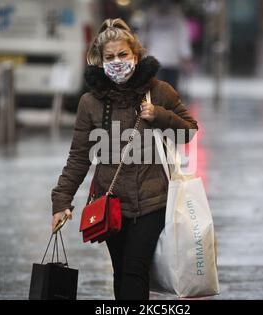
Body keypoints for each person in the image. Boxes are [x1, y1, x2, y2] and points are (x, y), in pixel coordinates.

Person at [51, 18, 198, 300]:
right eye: (110, 57)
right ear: (99, 61)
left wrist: (159, 116)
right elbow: (79, 157)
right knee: (121, 272)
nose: (117, 62)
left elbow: (189, 132)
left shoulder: (160, 92)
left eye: (123, 55)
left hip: (153, 202)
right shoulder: (90, 103)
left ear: (136, 55)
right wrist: (61, 202)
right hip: (111, 205)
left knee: (134, 268)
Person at [139, 0, 193, 91]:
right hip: (157, 61)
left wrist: (186, 58)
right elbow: (143, 36)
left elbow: (182, 39)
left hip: (171, 61)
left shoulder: (177, 18)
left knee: (168, 91)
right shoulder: (150, 17)